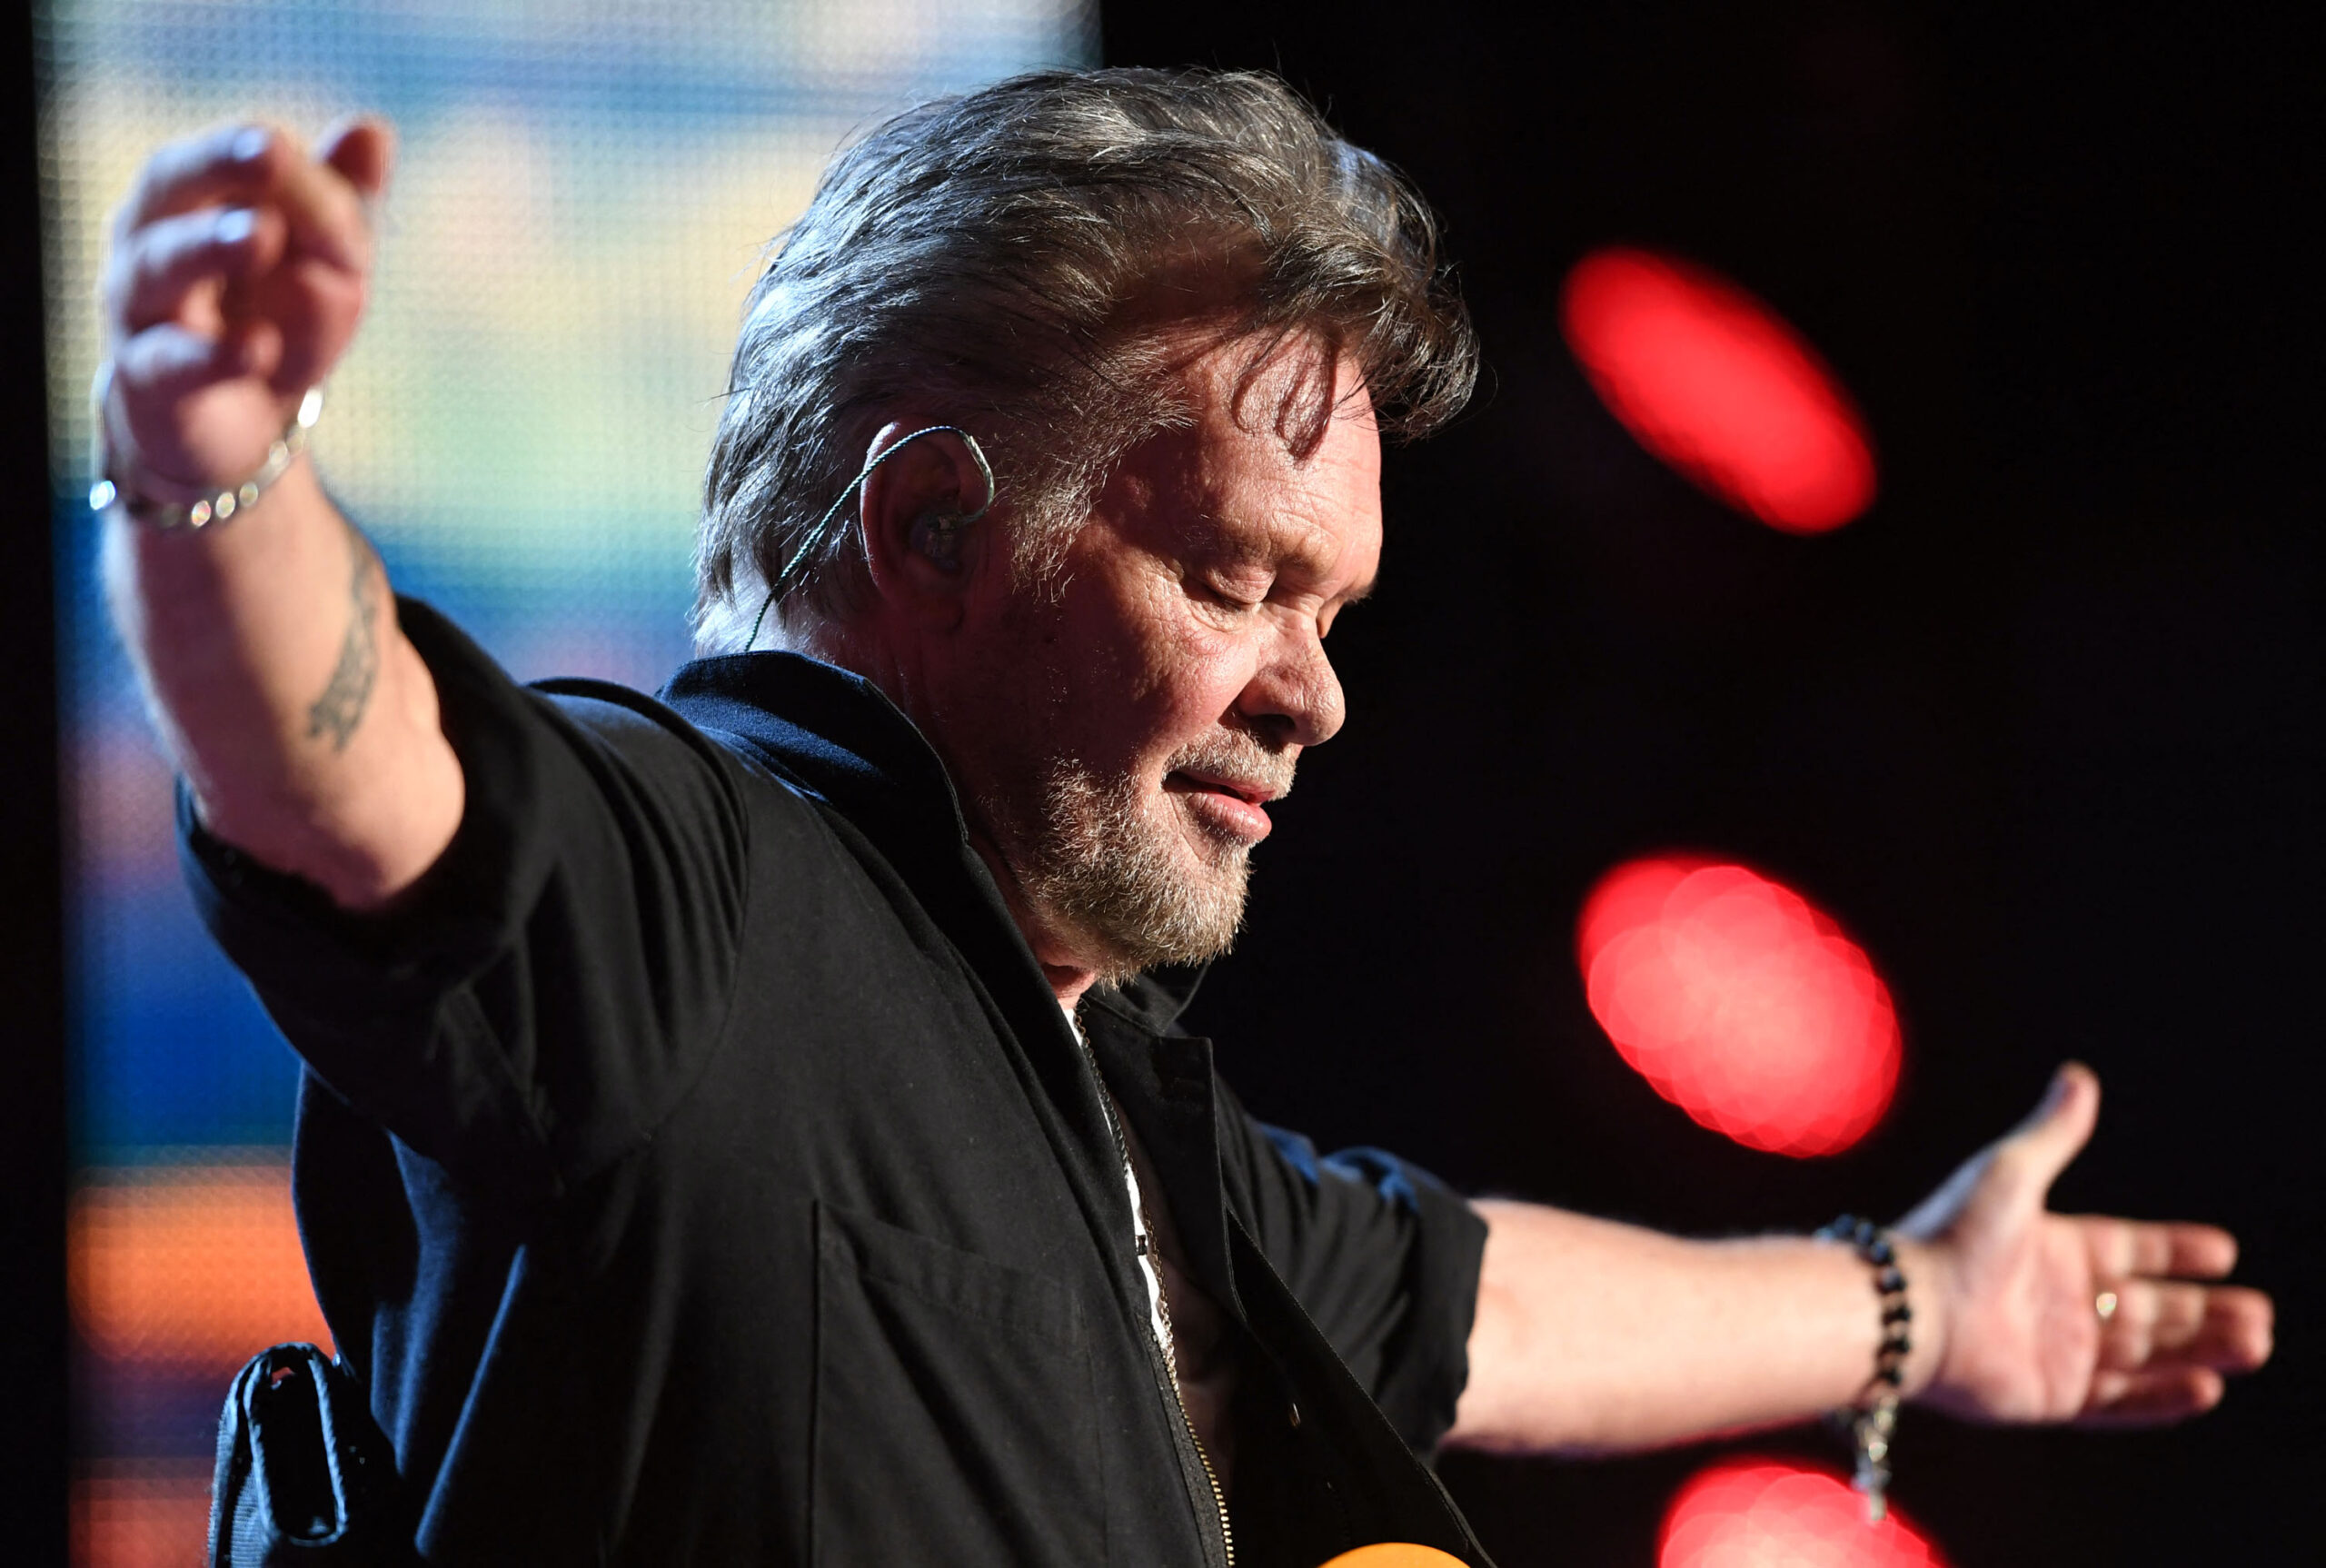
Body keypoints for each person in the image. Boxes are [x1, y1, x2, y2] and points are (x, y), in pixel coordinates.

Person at [96, 69, 2270, 1566]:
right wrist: (213, 467)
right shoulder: (699, 888)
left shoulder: (1119, 1114)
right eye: (1240, 579)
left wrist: (1912, 1306)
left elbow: (1480, 1310)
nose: (1313, 687)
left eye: (1333, 608)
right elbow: (345, 769)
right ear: (934, 526)